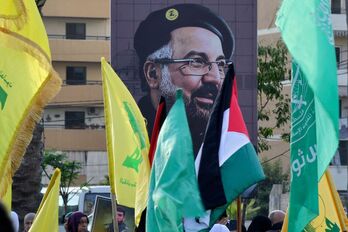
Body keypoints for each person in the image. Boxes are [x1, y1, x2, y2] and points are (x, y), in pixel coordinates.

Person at [134, 3, 234, 155]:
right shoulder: (130, 142)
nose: (215, 78)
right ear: (153, 73)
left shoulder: (231, 150)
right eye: (196, 61)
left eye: (220, 65)